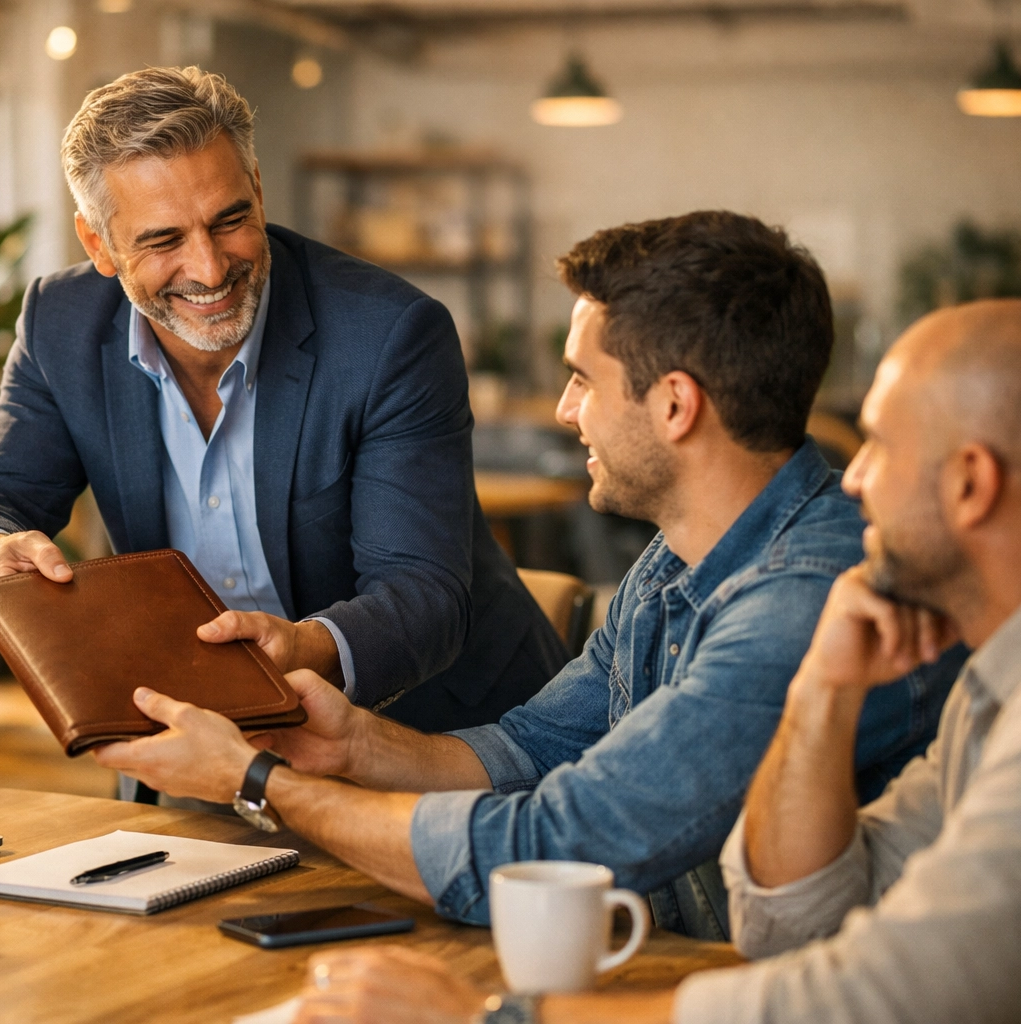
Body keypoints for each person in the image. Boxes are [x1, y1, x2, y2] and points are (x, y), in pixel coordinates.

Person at [92, 210, 962, 937]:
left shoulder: (805, 600)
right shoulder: (679, 558)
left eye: (584, 378)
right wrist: (352, 744)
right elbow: (532, 748)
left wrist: (259, 785)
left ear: (675, 405)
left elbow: (561, 840)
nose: (564, 409)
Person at [285, 298, 1021, 1024]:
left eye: (880, 446)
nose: (855, 480)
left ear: (970, 485)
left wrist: (493, 1016)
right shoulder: (982, 690)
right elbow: (794, 924)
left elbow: (858, 998)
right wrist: (822, 692)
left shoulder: (803, 588)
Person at [0, 66, 566, 740]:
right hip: (200, 737)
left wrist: (306, 649)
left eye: (229, 221)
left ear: (258, 192)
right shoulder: (61, 324)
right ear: (99, 245)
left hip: (433, 733)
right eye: (164, 240)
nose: (209, 269)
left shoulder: (389, 334)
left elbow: (422, 596)